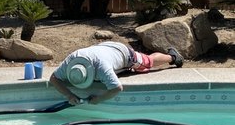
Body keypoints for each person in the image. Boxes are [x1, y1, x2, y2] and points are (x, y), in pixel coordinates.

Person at [50, 41, 184, 105]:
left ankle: (173, 57)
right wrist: (69, 95)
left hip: (124, 53)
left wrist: (99, 99)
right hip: (103, 48)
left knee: (148, 62)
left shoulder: (102, 67)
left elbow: (117, 88)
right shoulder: (71, 61)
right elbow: (54, 78)